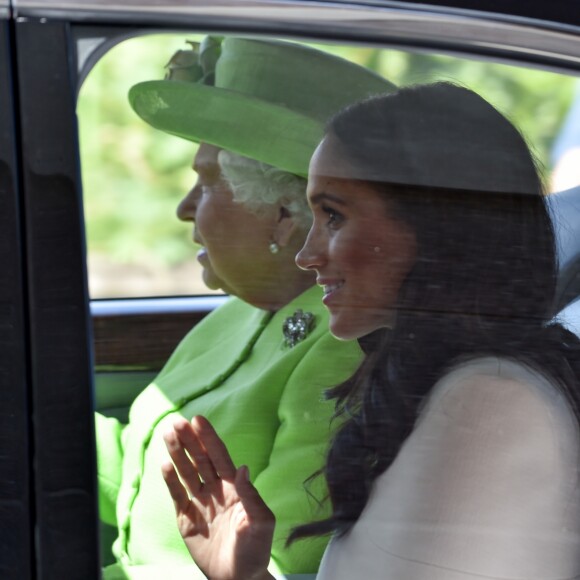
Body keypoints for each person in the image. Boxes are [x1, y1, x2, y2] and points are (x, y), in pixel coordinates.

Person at [162, 82, 580, 580]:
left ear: (434, 224)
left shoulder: (487, 402)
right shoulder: (457, 383)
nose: (306, 254)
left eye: (334, 216)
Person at [96, 36, 396, 578]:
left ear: (286, 213)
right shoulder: (240, 310)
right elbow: (146, 467)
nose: (185, 209)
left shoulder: (347, 347)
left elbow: (270, 562)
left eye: (206, 184)